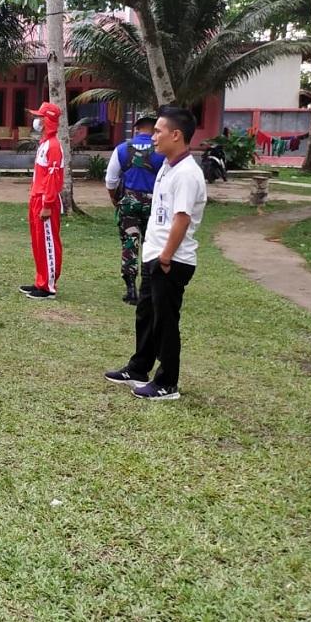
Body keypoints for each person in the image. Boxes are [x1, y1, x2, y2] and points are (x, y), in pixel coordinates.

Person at [105, 107, 207, 401]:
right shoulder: (167, 166)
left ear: (176, 135)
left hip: (171, 260)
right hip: (155, 255)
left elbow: (182, 218)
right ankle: (138, 368)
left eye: (159, 132)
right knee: (146, 314)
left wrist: (165, 257)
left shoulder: (187, 173)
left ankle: (167, 382)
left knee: (165, 321)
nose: (153, 138)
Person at [105, 115, 166, 304]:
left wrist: (115, 199)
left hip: (129, 202)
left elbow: (111, 180)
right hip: (154, 204)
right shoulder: (162, 150)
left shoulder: (122, 149)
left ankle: (130, 289)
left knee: (130, 244)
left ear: (136, 128)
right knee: (153, 244)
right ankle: (148, 287)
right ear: (154, 129)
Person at [19, 102, 64, 300]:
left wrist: (47, 204)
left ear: (49, 120)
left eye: (40, 117)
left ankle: (48, 287)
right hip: (37, 198)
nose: (36, 121)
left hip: (46, 201)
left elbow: (53, 179)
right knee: (38, 242)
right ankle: (41, 280)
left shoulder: (53, 146)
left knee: (48, 242)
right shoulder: (45, 144)